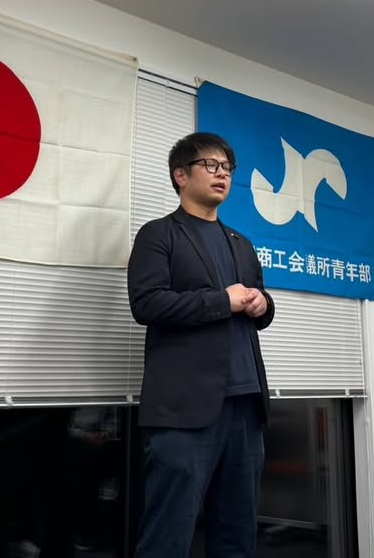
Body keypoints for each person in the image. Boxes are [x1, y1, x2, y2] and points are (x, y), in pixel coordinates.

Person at [127, 131, 275, 558]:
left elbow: (261, 308)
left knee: (238, 533)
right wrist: (222, 301)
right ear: (181, 175)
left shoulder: (242, 243)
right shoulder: (158, 234)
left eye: (227, 167)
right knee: (168, 534)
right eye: (211, 165)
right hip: (184, 412)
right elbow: (147, 303)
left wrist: (262, 304)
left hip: (246, 406)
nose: (222, 174)